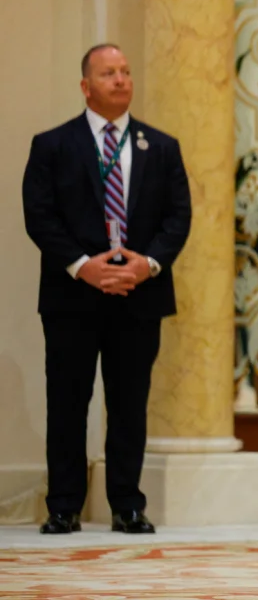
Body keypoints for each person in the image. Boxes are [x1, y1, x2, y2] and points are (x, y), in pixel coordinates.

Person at [22, 44, 192, 535]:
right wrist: (82, 266)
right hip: (72, 295)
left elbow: (178, 216)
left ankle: (127, 505)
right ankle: (64, 506)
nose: (120, 80)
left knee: (129, 404)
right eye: (108, 73)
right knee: (68, 402)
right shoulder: (52, 145)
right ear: (85, 87)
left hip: (140, 295)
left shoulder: (160, 146)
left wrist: (149, 263)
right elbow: (40, 215)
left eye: (125, 71)